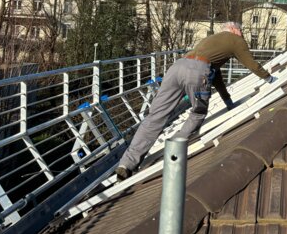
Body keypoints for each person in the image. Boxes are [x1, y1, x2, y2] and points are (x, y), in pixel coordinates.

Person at [115, 22, 273, 180]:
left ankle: (127, 163)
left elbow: (215, 76)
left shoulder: (212, 41)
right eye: (241, 30)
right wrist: (269, 78)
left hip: (177, 67)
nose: (242, 34)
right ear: (233, 30)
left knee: (155, 116)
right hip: (196, 71)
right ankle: (174, 147)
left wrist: (228, 101)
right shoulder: (236, 40)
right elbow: (251, 63)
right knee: (198, 112)